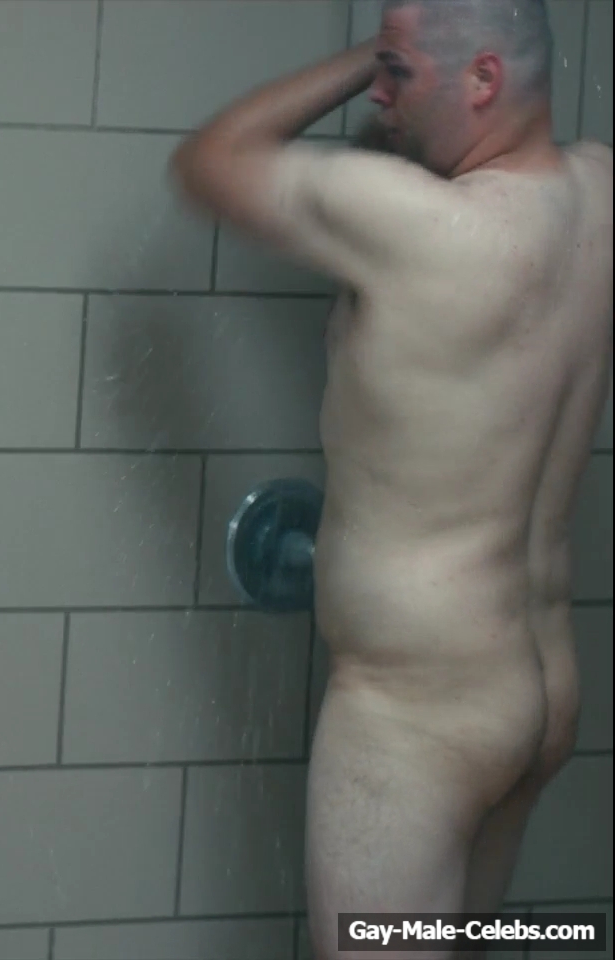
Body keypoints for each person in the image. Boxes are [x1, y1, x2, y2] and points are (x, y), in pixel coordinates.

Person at [171, 0, 610, 953]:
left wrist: (360, 54)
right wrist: (409, 64)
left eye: (398, 71)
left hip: (416, 722)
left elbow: (210, 160)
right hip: (537, 700)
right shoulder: (599, 197)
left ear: (484, 79)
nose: (378, 93)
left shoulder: (417, 225)